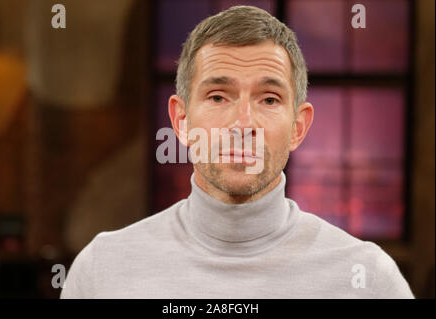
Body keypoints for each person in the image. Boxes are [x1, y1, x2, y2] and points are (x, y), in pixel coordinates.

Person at [61, 5, 414, 299]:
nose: (243, 123)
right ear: (181, 121)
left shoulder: (369, 279)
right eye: (218, 96)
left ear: (298, 127)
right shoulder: (102, 271)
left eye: (269, 99)